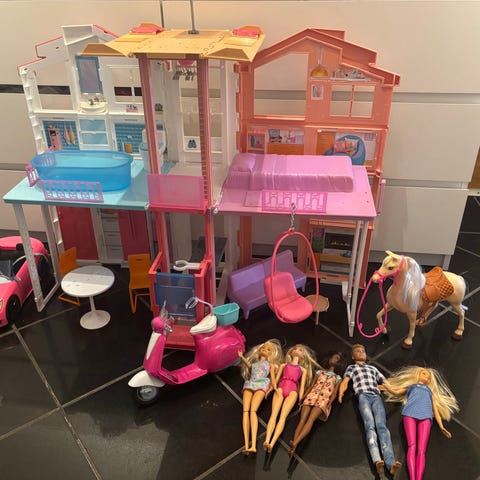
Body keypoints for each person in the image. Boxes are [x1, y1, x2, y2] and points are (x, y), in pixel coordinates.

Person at [380, 366, 459, 480]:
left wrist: (441, 426)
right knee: (412, 446)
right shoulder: (411, 387)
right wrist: (388, 387)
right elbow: (396, 392)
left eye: (429, 377)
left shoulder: (430, 392)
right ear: (417, 374)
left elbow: (435, 410)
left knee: (421, 450)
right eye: (424, 373)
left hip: (426, 416)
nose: (427, 377)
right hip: (409, 414)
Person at [338, 344, 402, 476]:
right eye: (358, 351)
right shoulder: (352, 368)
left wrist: (395, 391)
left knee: (381, 426)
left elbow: (386, 383)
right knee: (369, 425)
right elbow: (345, 381)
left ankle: (390, 463)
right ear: (353, 356)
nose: (361, 352)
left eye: (363, 350)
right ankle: (377, 460)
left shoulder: (373, 368)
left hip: (376, 397)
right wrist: (340, 393)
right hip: (363, 396)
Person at [288, 351, 346, 457]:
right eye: (333, 357)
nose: (334, 359)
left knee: (310, 420)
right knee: (302, 420)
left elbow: (334, 393)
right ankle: (293, 448)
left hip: (323, 400)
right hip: (312, 395)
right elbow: (312, 385)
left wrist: (329, 403)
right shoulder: (319, 372)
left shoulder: (337, 378)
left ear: (339, 363)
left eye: (337, 358)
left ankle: (295, 443)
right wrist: (304, 396)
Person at [263, 344, 318, 453]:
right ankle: (267, 440)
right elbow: (276, 380)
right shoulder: (283, 365)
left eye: (301, 350)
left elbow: (302, 387)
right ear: (291, 351)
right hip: (280, 388)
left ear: (304, 356)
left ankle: (272, 443)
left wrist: (301, 400)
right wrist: (270, 390)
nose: (297, 350)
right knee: (273, 415)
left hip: (293, 391)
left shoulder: (303, 370)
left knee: (282, 417)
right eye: (295, 348)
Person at [238, 339, 283, 454]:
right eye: (263, 348)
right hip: (250, 384)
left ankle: (253, 445)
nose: (264, 350)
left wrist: (274, 389)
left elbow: (273, 379)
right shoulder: (254, 364)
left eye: (268, 349)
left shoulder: (270, 365)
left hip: (261, 384)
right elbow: (248, 365)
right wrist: (241, 356)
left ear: (271, 354)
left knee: (253, 411)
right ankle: (246, 445)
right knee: (245, 411)